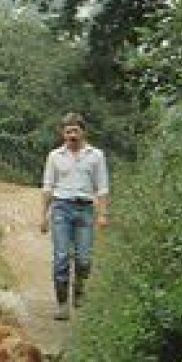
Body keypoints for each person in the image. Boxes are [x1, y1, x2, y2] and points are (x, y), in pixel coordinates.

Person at [40, 112, 110, 319]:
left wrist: (103, 214)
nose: (71, 135)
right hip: (61, 207)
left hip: (86, 208)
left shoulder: (96, 156)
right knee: (61, 257)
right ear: (62, 134)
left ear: (83, 132)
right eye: (68, 131)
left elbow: (102, 187)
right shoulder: (55, 156)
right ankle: (62, 305)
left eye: (75, 131)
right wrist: (43, 216)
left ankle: (79, 288)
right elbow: (47, 186)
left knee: (83, 259)